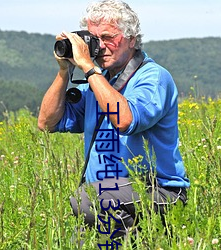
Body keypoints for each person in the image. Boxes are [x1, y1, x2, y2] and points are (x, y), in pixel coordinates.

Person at [38, 0, 190, 245]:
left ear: (131, 39)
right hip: (107, 198)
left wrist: (89, 68)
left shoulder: (152, 77)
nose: (100, 47)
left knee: (88, 199)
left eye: (108, 37)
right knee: (79, 227)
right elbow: (47, 122)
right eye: (94, 39)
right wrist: (64, 70)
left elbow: (125, 120)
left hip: (159, 192)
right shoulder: (96, 83)